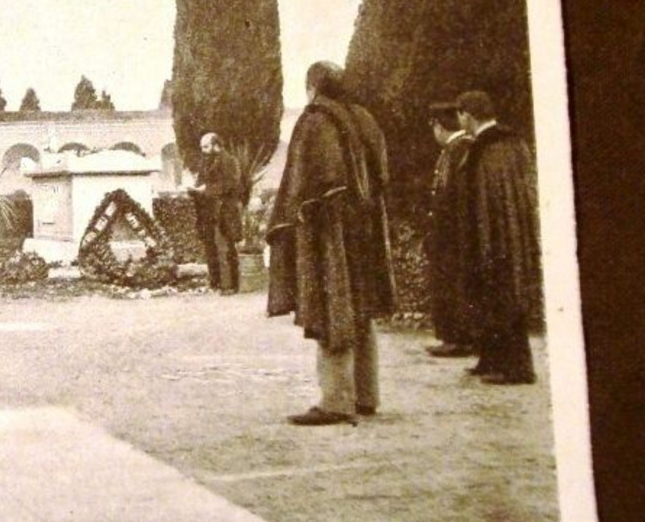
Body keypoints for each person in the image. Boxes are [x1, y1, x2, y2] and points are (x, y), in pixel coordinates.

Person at [267, 62, 396, 425]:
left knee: (332, 306)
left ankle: (337, 401)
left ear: (313, 87)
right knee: (361, 306)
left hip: (330, 231)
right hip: (366, 228)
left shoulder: (315, 120)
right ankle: (366, 396)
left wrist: (290, 224)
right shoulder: (364, 118)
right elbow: (381, 173)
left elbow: (305, 183)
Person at [456, 90, 542, 385]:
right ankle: (491, 358)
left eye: (461, 114)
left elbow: (483, 197)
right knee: (496, 295)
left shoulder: (486, 148)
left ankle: (516, 368)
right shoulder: (513, 143)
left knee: (500, 294)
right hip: (513, 230)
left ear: (467, 114)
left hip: (493, 233)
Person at [424, 103, 478, 357]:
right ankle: (456, 336)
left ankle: (457, 338)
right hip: (450, 233)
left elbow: (453, 196)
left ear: (439, 125)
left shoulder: (459, 150)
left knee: (453, 284)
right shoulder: (457, 149)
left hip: (452, 235)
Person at [189, 132, 244, 295]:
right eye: (202, 148)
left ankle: (229, 285)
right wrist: (195, 190)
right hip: (208, 212)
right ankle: (216, 283)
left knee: (224, 247)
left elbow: (231, 184)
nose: (203, 151)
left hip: (223, 212)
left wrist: (207, 189)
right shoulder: (205, 163)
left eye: (206, 147)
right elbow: (201, 183)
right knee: (211, 248)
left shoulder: (230, 161)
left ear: (216, 145)